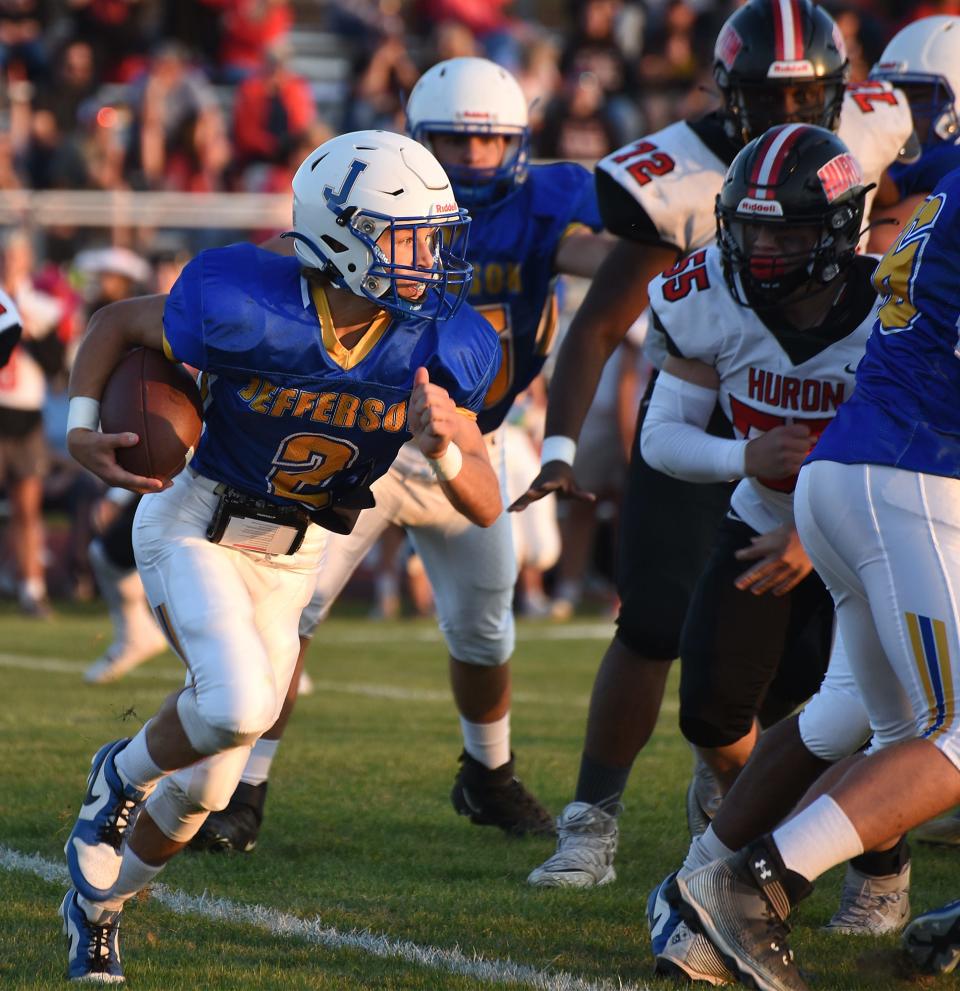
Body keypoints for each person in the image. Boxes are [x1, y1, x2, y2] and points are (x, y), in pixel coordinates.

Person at [59, 129, 503, 983]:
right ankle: (116, 773)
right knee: (237, 705)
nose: (429, 259)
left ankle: (98, 908)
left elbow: (483, 501)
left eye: (433, 237)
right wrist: (82, 428)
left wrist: (446, 447)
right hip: (197, 522)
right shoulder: (247, 299)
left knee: (212, 789)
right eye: (408, 238)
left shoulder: (442, 342)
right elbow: (117, 322)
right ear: (340, 234)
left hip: (293, 555)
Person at [513, 0, 914, 890]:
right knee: (656, 619)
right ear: (726, 95)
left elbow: (916, 217)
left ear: (840, 92)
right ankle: (593, 821)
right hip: (724, 404)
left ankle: (851, 855)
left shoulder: (882, 129)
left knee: (821, 678)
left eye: (806, 96)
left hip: (852, 407)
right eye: (767, 99)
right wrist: (563, 443)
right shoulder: (678, 175)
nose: (786, 116)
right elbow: (601, 321)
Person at [189, 56, 611, 854]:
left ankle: (487, 775)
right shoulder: (388, 195)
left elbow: (621, 253)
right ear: (417, 141)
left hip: (467, 439)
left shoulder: (546, 209)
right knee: (295, 611)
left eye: (490, 143)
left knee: (486, 632)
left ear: (519, 144)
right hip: (368, 436)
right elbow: (302, 253)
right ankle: (244, 788)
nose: (475, 160)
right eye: (453, 140)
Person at [637, 123, 912, 983]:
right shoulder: (704, 292)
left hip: (870, 537)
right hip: (759, 516)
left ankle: (878, 869)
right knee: (714, 712)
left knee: (871, 715)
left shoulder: (896, 304)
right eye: (752, 227)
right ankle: (739, 850)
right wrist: (740, 458)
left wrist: (814, 527)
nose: (762, 248)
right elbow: (660, 437)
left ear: (836, 232)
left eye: (788, 231)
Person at [675, 170, 960, 991]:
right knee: (952, 730)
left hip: (854, 471)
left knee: (856, 717)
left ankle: (696, 883)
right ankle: (749, 891)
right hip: (912, 472)